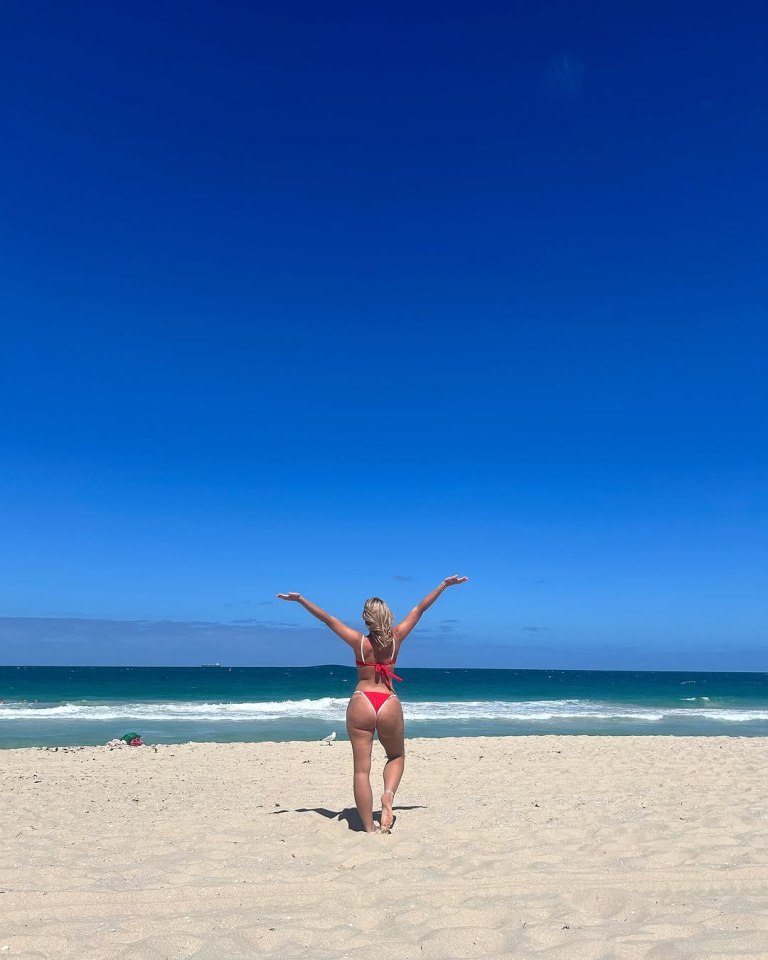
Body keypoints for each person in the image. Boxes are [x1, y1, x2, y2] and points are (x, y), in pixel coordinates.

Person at [276, 575, 469, 833]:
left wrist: (301, 600)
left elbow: (328, 620)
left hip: (362, 701)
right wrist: (443, 586)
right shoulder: (397, 637)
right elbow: (420, 609)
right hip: (388, 700)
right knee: (396, 755)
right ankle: (388, 796)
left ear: (366, 618)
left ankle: (369, 829)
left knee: (361, 772)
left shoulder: (359, 641)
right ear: (387, 616)